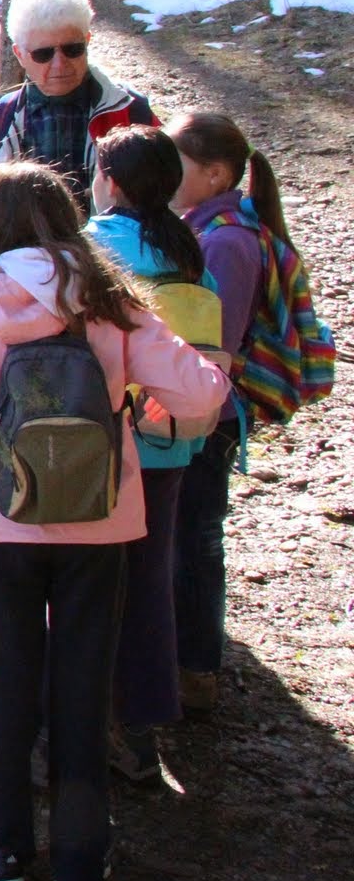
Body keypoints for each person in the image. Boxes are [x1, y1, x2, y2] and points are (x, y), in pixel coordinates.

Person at [0, 164, 227, 881]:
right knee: (86, 681)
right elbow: (200, 393)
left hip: (6, 526)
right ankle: (81, 854)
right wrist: (154, 399)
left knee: (10, 681)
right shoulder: (113, 304)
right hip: (102, 522)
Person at [85, 126, 219, 778]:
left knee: (88, 587)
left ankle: (81, 722)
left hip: (100, 444)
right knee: (149, 583)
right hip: (170, 445)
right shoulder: (189, 253)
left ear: (109, 182)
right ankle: (141, 729)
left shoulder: (90, 248)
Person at [168, 112, 283, 712]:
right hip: (197, 406)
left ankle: (197, 666)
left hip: (210, 414)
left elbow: (219, 343)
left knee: (196, 538)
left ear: (215, 174)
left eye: (178, 164)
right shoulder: (205, 227)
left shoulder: (228, 242)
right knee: (184, 533)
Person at [0, 0, 158, 209]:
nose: (59, 64)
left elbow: (173, 190)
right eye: (43, 54)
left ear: (87, 42)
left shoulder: (131, 110)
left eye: (72, 49)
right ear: (19, 54)